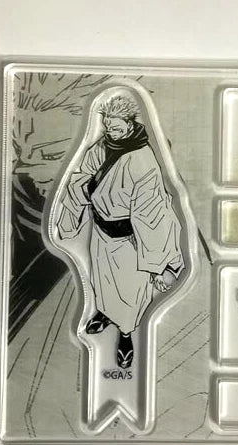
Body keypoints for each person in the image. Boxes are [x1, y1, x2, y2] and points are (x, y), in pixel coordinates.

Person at [58, 95, 184, 369]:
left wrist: (158, 266)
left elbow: (152, 215)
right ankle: (104, 313)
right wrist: (84, 196)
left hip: (130, 241)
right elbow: (81, 175)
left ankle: (125, 336)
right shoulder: (102, 146)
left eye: (116, 128)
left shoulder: (143, 160)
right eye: (107, 127)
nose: (110, 132)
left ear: (129, 124)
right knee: (102, 282)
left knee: (129, 293)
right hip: (101, 235)